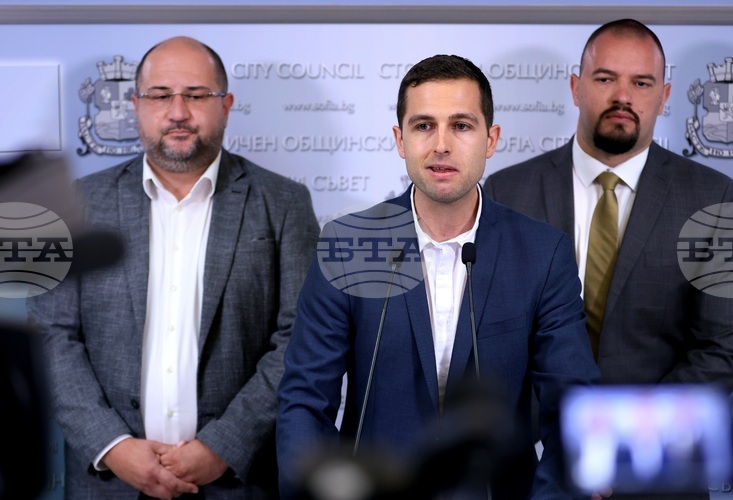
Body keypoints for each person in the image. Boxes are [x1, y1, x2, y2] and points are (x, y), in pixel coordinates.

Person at [277, 54, 600, 499]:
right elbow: (304, 402)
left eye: (461, 126)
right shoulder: (349, 245)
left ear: (491, 139)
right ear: (400, 139)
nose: (441, 145)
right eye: (424, 125)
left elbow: (572, 410)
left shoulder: (543, 254)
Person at [27, 36, 319, 499]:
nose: (178, 112)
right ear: (136, 105)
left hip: (234, 482)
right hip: (108, 483)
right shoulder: (76, 204)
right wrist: (112, 445)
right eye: (160, 95)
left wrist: (224, 445)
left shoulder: (283, 203)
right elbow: (50, 334)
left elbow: (300, 338)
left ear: (226, 105)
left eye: (196, 95)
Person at [485, 19, 733, 498]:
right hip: (529, 472)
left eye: (641, 83)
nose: (623, 96)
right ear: (576, 87)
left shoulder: (712, 196)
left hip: (657, 472)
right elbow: (489, 342)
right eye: (605, 78)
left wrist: (624, 441)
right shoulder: (507, 192)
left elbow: (723, 348)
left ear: (664, 97)